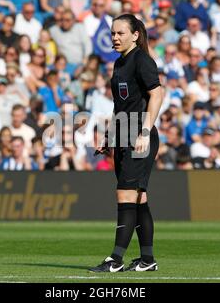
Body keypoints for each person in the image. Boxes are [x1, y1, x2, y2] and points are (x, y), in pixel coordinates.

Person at [89, 14, 164, 273]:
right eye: (113, 33)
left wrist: (144, 131)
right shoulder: (119, 64)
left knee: (125, 194)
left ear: (135, 35)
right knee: (139, 199)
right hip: (122, 135)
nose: (115, 37)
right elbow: (120, 105)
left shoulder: (142, 60)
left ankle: (115, 260)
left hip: (138, 137)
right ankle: (147, 259)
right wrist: (109, 136)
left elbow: (157, 94)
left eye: (121, 33)